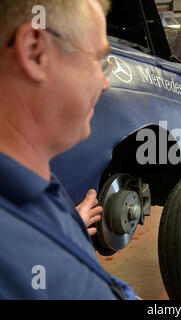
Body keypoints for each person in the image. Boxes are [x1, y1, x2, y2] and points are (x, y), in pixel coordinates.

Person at [0, 0, 136, 299]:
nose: (105, 83)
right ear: (36, 52)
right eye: (98, 60)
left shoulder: (36, 190)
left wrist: (66, 225)